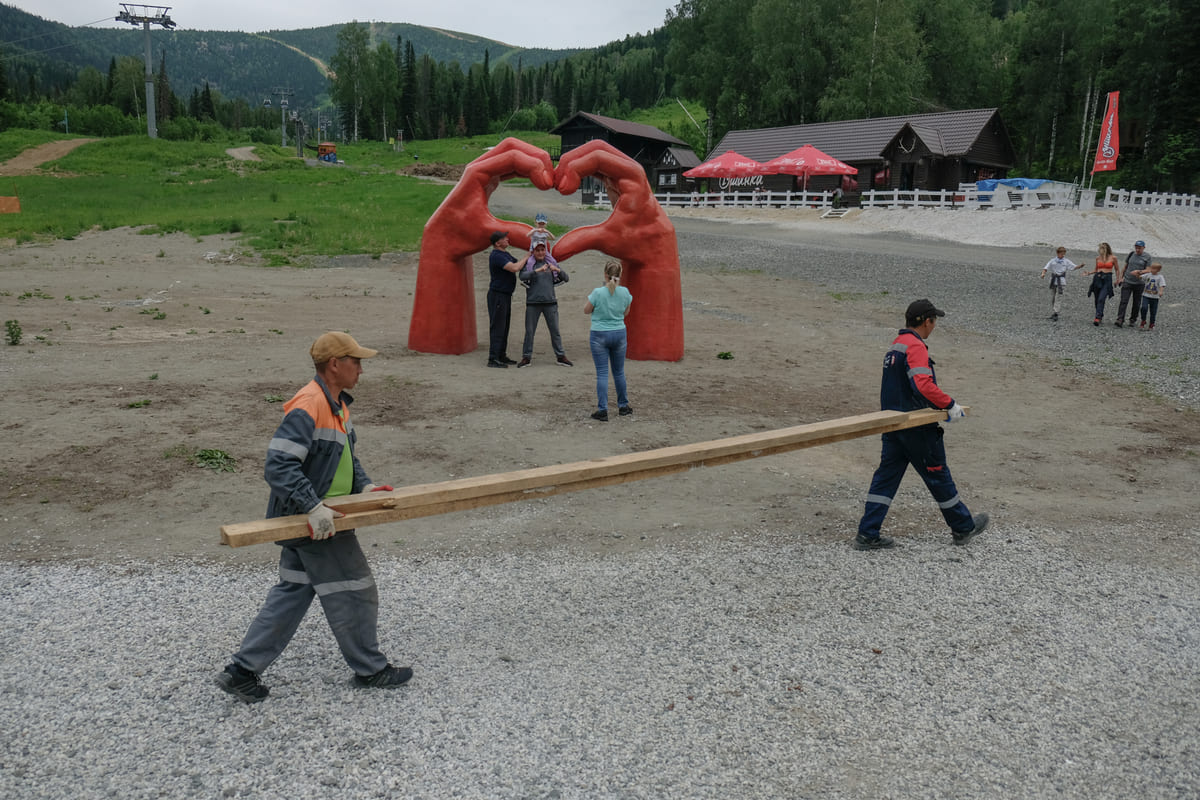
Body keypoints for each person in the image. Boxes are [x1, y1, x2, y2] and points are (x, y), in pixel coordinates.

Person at [215, 332, 412, 703]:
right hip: (317, 523)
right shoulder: (309, 405)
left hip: (323, 515)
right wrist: (313, 506)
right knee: (356, 591)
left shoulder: (336, 404)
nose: (361, 369)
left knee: (292, 593)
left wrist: (365, 487)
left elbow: (344, 460)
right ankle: (370, 670)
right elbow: (278, 465)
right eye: (355, 361)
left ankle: (241, 671)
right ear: (334, 364)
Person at [854, 299, 990, 551]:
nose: (935, 325)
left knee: (885, 479)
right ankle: (963, 527)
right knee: (938, 476)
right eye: (934, 321)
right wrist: (949, 404)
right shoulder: (915, 346)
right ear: (927, 321)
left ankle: (867, 533)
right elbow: (923, 384)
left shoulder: (896, 345)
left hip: (893, 424)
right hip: (916, 427)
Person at [584, 261, 634, 421]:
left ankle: (603, 409)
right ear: (620, 275)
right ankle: (623, 405)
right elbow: (626, 312)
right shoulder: (625, 292)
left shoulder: (598, 292)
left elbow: (586, 310)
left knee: (602, 373)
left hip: (599, 333)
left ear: (605, 274)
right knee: (619, 372)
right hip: (619, 332)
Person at [517, 242, 573, 367]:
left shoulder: (551, 263)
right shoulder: (529, 265)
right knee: (530, 332)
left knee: (555, 331)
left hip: (550, 302)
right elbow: (522, 276)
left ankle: (560, 356)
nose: (541, 253)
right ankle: (526, 357)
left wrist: (557, 269)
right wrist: (536, 271)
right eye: (538, 250)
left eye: (543, 250)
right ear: (533, 252)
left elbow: (566, 278)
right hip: (533, 303)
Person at [486, 231, 521, 368]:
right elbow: (515, 267)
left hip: (505, 294)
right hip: (498, 295)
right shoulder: (496, 256)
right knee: (498, 326)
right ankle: (493, 358)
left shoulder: (505, 254)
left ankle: (501, 355)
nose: (507, 239)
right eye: (504, 238)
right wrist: (528, 255)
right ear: (497, 243)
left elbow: (518, 263)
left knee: (504, 326)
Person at [1115, 240, 1152, 327]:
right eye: (1136, 247)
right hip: (1127, 281)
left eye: (1139, 248)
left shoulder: (1147, 257)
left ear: (1143, 248)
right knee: (1124, 301)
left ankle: (1133, 319)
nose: (1137, 249)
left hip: (1139, 283)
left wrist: (1139, 272)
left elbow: (1149, 269)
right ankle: (1120, 319)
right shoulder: (1131, 254)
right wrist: (1121, 278)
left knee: (1137, 302)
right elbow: (1125, 267)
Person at [1040, 246, 1082, 321]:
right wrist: (1043, 274)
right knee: (1053, 298)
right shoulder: (1052, 261)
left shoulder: (1066, 261)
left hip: (1061, 281)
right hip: (1053, 281)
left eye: (1064, 254)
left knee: (1058, 297)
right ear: (1058, 253)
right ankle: (1054, 312)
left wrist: (1080, 266)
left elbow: (1073, 267)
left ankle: (1056, 312)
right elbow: (1045, 268)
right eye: (1062, 254)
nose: (1063, 255)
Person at [1084, 242, 1118, 326]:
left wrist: (1118, 279)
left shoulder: (1113, 258)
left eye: (1101, 250)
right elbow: (1096, 269)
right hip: (1098, 278)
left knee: (1101, 298)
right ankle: (1100, 314)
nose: (1100, 251)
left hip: (1107, 279)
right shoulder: (1098, 258)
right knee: (1096, 298)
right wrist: (1089, 273)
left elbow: (1117, 269)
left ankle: (1097, 317)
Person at [1135, 262, 1166, 330]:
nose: (1152, 270)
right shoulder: (1148, 275)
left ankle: (1152, 323)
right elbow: (1140, 277)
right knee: (1144, 308)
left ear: (1158, 270)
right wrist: (1137, 274)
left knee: (1153, 311)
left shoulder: (1160, 277)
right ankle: (1143, 320)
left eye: (1154, 269)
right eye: (1151, 268)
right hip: (1146, 295)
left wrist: (1161, 291)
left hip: (1154, 297)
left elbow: (1162, 285)